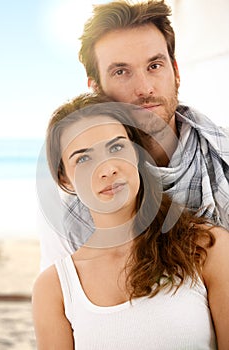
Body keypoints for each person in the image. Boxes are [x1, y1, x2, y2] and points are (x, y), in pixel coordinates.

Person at [38, 0, 229, 270]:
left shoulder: (224, 155)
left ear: (175, 72)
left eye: (154, 66)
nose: (144, 88)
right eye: (121, 72)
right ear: (96, 89)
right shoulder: (71, 209)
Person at [33, 93, 229, 349]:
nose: (107, 168)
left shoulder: (207, 247)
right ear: (65, 179)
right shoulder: (55, 289)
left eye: (116, 147)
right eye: (83, 158)